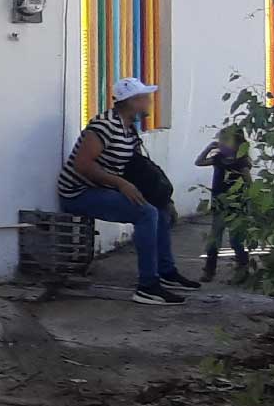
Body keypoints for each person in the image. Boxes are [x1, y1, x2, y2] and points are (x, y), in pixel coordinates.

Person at [57, 77, 200, 306]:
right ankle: (147, 287)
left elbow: (135, 167)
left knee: (159, 210)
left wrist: (163, 196)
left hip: (104, 188)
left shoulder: (128, 128)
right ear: (132, 101)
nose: (150, 103)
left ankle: (166, 271)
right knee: (146, 213)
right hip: (79, 193)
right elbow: (83, 165)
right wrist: (121, 184)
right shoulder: (104, 125)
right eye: (145, 98)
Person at [196, 125, 253, 283]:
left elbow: (249, 183)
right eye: (220, 140)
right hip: (219, 203)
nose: (222, 143)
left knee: (236, 240)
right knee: (214, 238)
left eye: (226, 140)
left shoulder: (241, 162)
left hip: (236, 205)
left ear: (237, 143)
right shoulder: (219, 159)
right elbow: (199, 162)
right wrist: (209, 148)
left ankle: (242, 270)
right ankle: (209, 270)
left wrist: (250, 202)